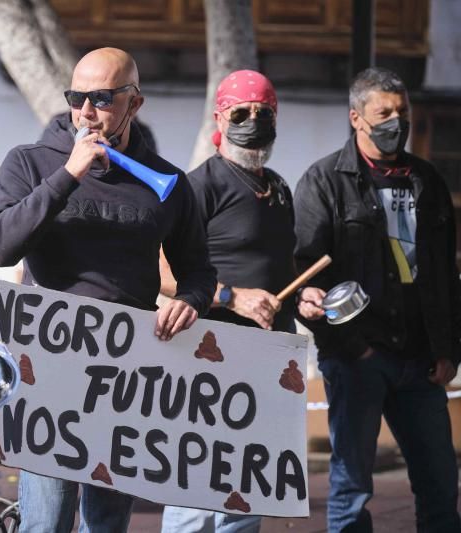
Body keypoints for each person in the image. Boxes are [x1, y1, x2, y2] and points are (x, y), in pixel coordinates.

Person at [0, 47, 216, 533]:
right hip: (46, 369)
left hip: (126, 377)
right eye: (77, 97)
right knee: (46, 519)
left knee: (107, 522)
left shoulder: (166, 181)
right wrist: (68, 175)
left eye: (102, 99)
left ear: (135, 103)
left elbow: (198, 270)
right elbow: (0, 245)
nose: (86, 111)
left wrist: (190, 302)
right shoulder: (30, 162)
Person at [295, 67, 461, 532]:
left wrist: (449, 350)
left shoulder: (427, 181)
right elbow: (305, 273)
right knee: (351, 488)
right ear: (356, 117)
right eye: (384, 113)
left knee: (439, 484)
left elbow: (448, 274)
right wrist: (352, 349)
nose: (396, 122)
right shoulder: (325, 180)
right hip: (356, 360)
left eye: (402, 112)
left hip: (422, 360)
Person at [159, 69, 294, 533]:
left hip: (266, 358)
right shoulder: (198, 185)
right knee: (196, 485)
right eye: (241, 112)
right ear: (220, 116)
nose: (253, 121)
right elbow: (160, 269)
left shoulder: (278, 188)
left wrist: (306, 293)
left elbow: (280, 265)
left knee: (246, 487)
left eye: (264, 112)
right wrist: (232, 298)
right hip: (207, 353)